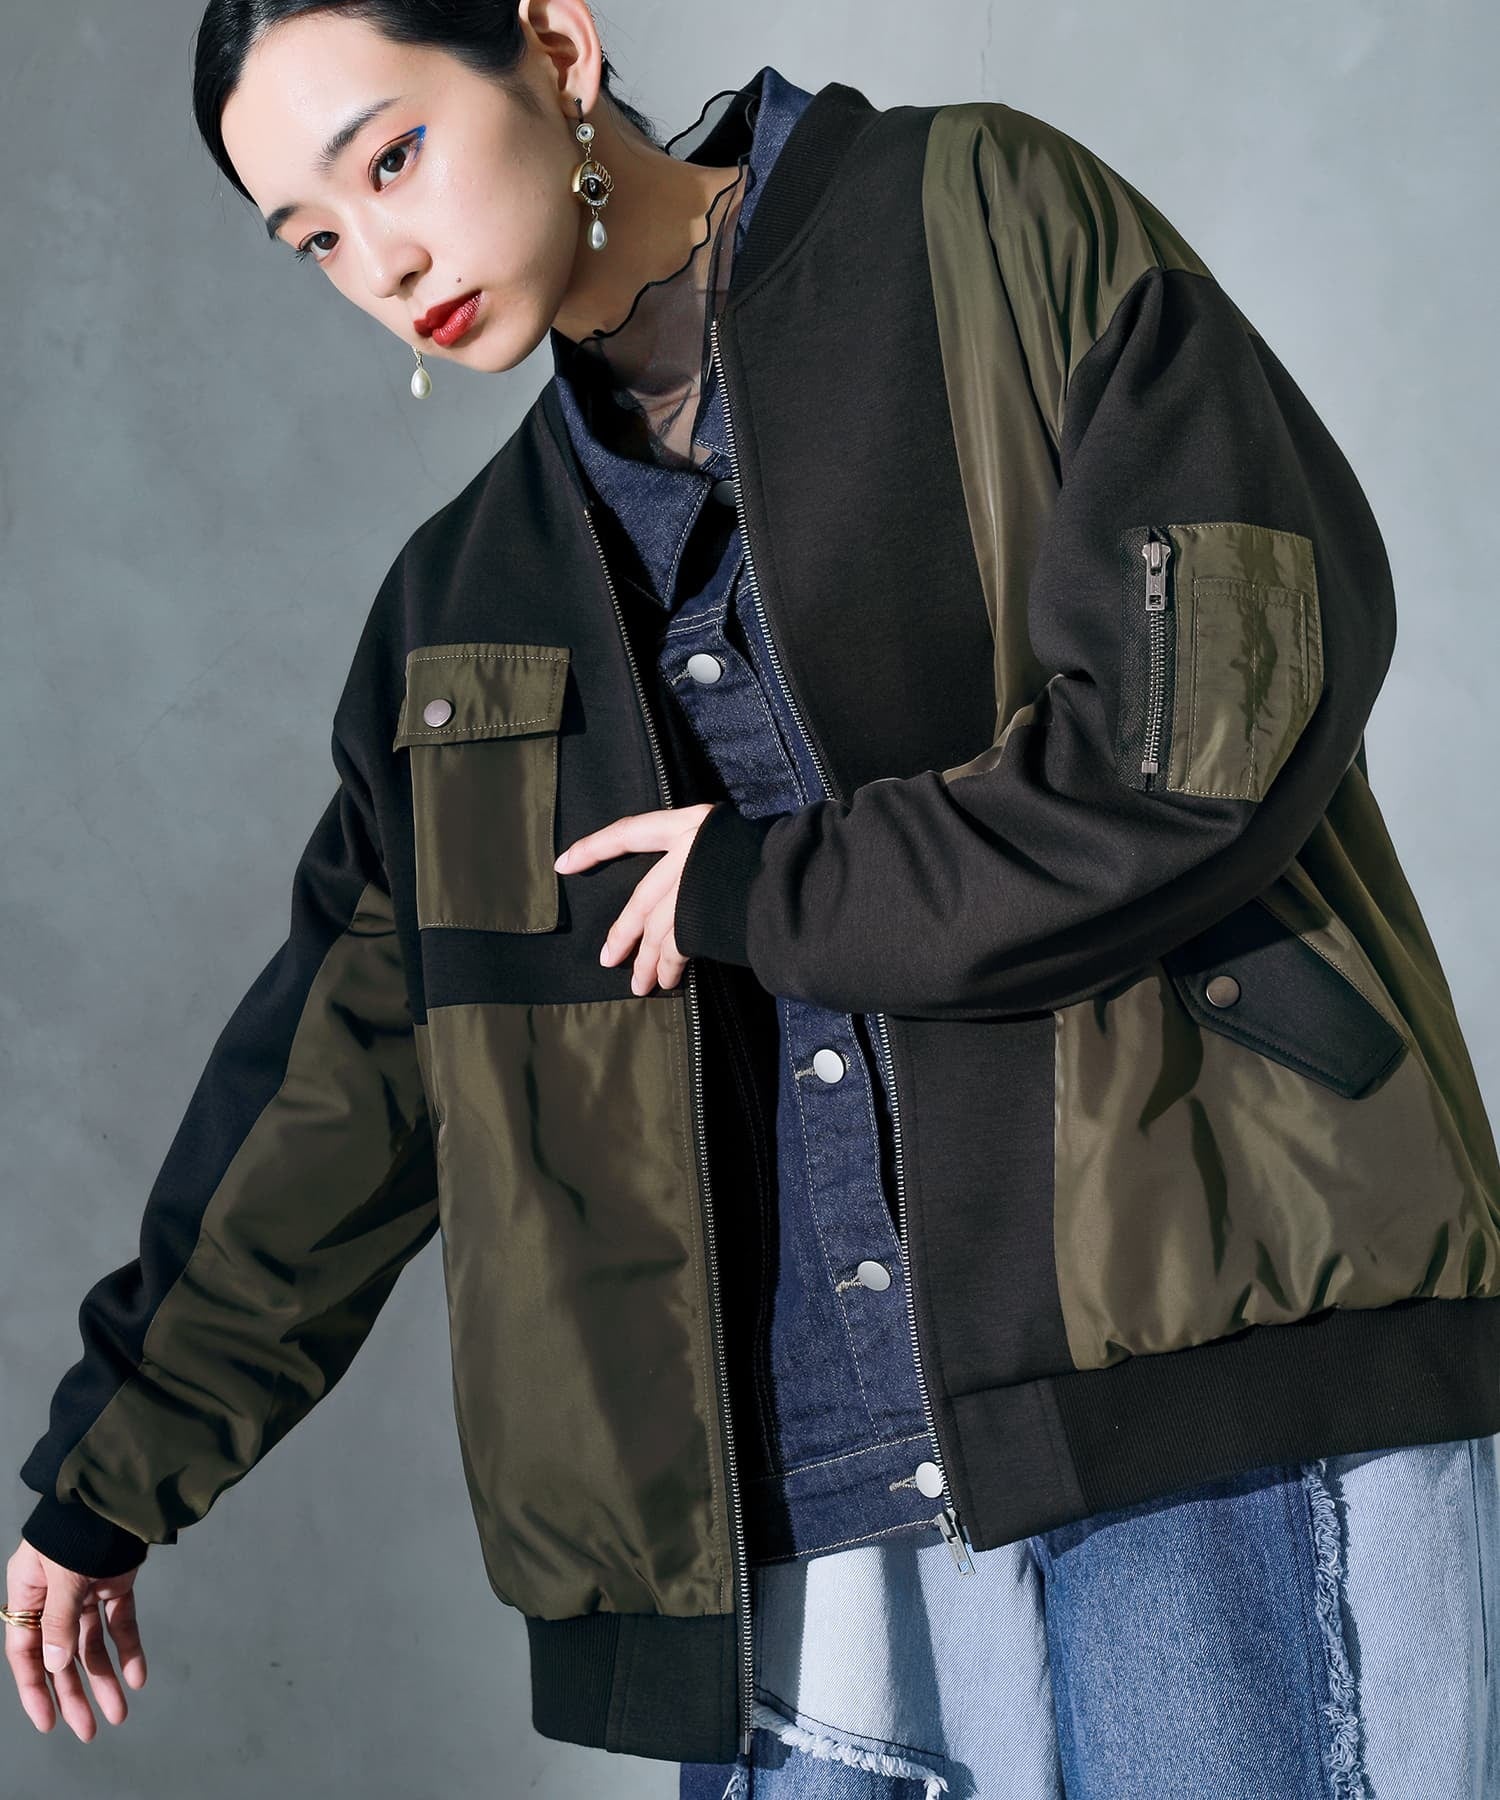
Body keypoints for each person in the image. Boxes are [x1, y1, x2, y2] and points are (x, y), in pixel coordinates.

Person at [7, 2, 1500, 1794]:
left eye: (391, 158)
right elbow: (338, 1083)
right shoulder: (466, 610)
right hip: (801, 1521)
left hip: (1212, 1382)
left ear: (555, 49)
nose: (381, 263)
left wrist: (766, 886)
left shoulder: (981, 219)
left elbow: (1217, 717)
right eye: (315, 239)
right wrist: (111, 1477)